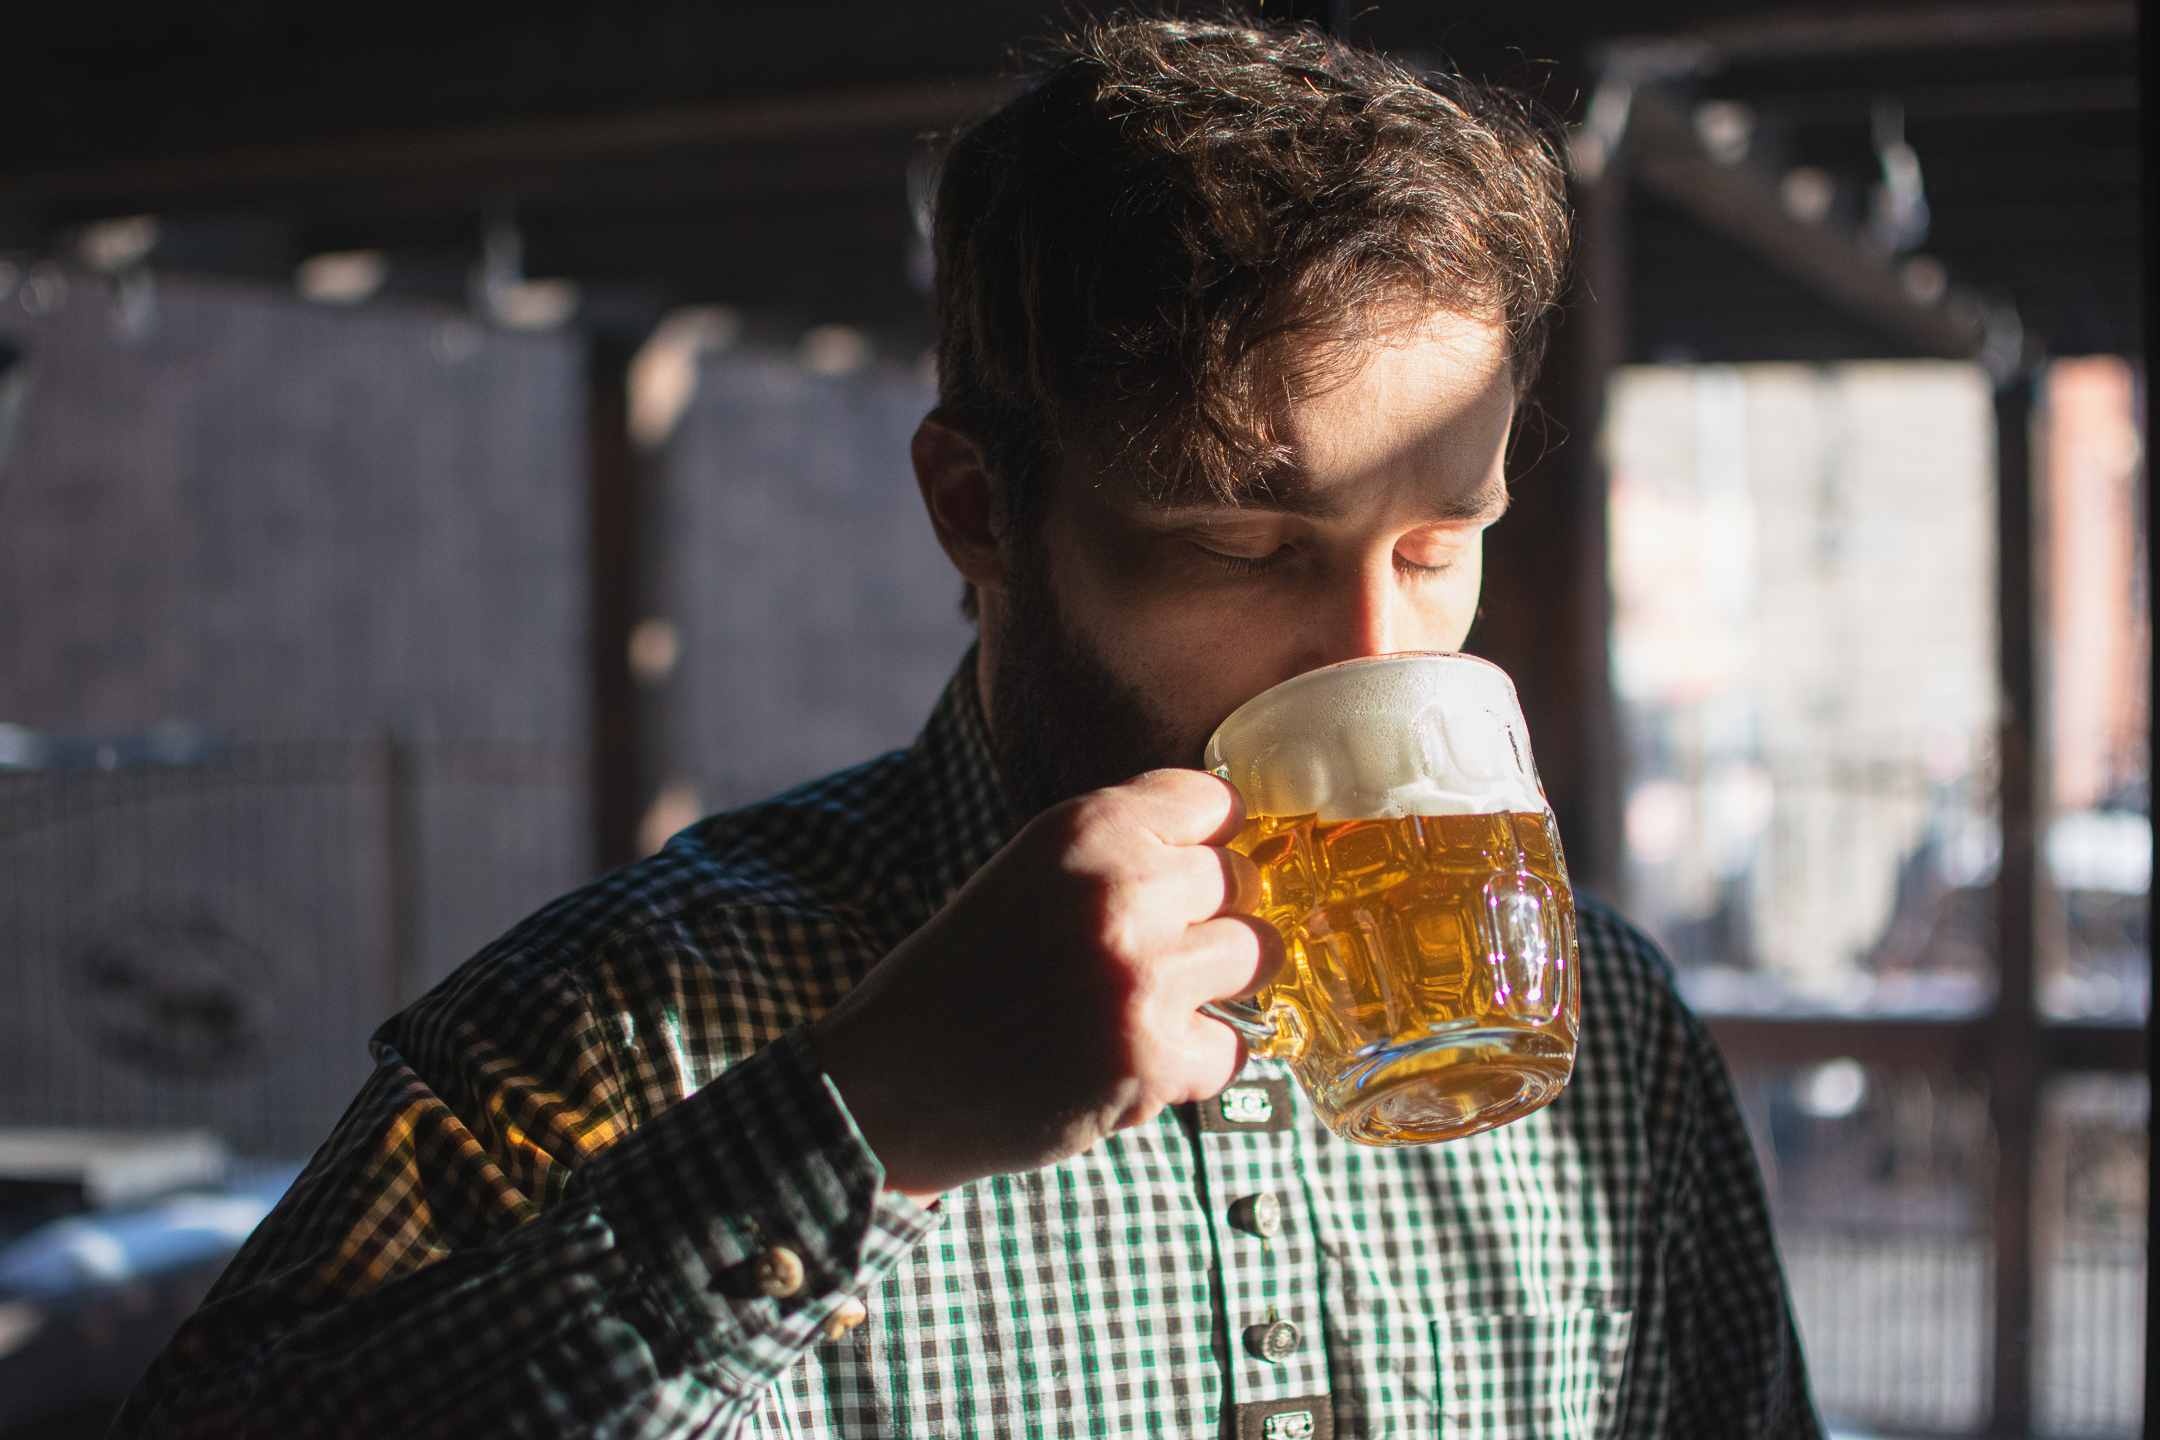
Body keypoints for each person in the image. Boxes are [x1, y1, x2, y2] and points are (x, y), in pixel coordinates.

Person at [118, 16, 1820, 1440]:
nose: (1375, 655)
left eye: (1441, 547)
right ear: (979, 511)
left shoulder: (1619, 1051)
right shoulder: (618, 1040)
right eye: (1245, 547)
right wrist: (865, 1118)